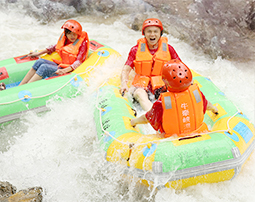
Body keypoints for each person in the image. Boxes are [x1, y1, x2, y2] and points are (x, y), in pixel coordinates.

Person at [131, 59, 218, 138]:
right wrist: (214, 109)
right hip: (198, 134)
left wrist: (134, 122)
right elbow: (207, 105)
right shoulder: (196, 93)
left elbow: (147, 118)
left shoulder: (163, 102)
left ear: (165, 81)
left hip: (173, 140)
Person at [120, 18, 181, 111]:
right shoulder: (135, 50)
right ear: (144, 33)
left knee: (168, 99)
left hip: (160, 87)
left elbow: (179, 67)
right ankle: (153, 117)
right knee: (140, 94)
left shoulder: (169, 49)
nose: (152, 34)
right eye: (149, 31)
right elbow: (126, 69)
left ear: (160, 33)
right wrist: (123, 83)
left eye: (155, 31)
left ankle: (168, 117)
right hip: (141, 87)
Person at [19, 19, 89, 85]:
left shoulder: (82, 43)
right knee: (39, 62)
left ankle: (26, 88)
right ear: (66, 34)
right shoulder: (67, 39)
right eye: (70, 33)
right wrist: (38, 53)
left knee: (44, 68)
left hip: (70, 70)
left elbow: (78, 62)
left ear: (78, 33)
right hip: (63, 65)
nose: (72, 36)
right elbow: (55, 47)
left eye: (74, 34)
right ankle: (21, 86)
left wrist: (64, 71)